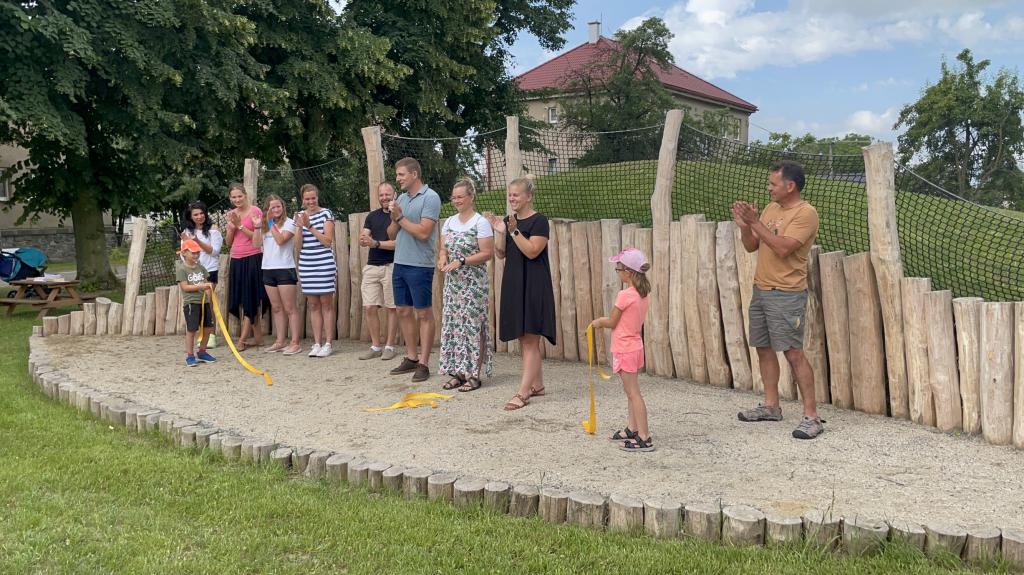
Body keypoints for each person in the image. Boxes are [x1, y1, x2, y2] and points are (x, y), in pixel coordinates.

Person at [732, 160, 823, 440]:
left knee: (793, 353)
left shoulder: (806, 214)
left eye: (773, 184)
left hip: (787, 293)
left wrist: (754, 222)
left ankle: (812, 417)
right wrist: (745, 227)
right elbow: (752, 246)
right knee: (763, 348)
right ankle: (771, 406)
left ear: (790, 186)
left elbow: (783, 248)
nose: (769, 188)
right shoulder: (771, 209)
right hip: (761, 289)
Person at [486, 177, 556, 411]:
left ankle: (523, 392)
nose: (512, 198)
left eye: (516, 194)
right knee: (524, 337)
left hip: (534, 284)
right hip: (515, 282)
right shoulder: (509, 221)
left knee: (530, 339)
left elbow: (533, 251)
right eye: (510, 194)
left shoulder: (539, 221)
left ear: (528, 196)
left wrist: (514, 231)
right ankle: (538, 385)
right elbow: (500, 254)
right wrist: (499, 232)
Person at [591, 248, 654, 452]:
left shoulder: (625, 295)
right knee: (630, 391)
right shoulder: (642, 294)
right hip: (634, 347)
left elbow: (612, 321)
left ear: (628, 272)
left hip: (625, 349)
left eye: (619, 269)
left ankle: (644, 437)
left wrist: (598, 322)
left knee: (633, 393)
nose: (617, 272)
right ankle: (633, 428)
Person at [387, 157, 442, 382]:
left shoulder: (431, 197)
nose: (397, 178)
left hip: (420, 265)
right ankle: (411, 357)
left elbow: (423, 233)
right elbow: (391, 234)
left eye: (401, 174)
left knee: (423, 313)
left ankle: (424, 363)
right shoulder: (401, 198)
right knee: (402, 310)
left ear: (414, 174)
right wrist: (394, 218)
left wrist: (400, 217)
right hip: (400, 262)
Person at [437, 178, 494, 392]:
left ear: (471, 197)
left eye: (460, 197)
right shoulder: (449, 222)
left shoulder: (480, 222)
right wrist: (442, 258)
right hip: (453, 283)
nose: (456, 201)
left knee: (472, 325)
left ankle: (474, 374)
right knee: (455, 325)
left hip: (473, 284)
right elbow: (443, 249)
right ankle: (458, 373)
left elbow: (487, 253)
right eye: (454, 197)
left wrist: (462, 261)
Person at [253, 195, 302, 355]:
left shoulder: (289, 223)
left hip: (285, 268)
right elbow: (256, 244)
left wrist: (270, 223)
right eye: (272, 207)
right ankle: (280, 341)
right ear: (267, 209)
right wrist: (257, 227)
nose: (275, 210)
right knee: (276, 307)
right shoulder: (265, 225)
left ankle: (295, 342)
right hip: (268, 268)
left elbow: (281, 240)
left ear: (283, 206)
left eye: (278, 206)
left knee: (290, 307)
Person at [357, 182, 400, 361]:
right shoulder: (372, 216)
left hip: (391, 265)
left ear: (394, 194)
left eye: (387, 194)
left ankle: (389, 346)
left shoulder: (399, 215)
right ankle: (375, 346)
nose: (384, 198)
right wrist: (363, 239)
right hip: (372, 266)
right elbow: (363, 237)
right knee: (369, 307)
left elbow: (398, 244)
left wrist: (375, 243)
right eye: (381, 195)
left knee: (392, 308)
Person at [295, 184, 337, 358]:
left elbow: (327, 241)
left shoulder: (326, 214)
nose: (311, 201)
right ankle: (317, 343)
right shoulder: (299, 215)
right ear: (302, 199)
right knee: (313, 305)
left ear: (317, 197)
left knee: (326, 304)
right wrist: (299, 227)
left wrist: (310, 226)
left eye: (313, 198)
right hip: (307, 263)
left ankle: (328, 343)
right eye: (307, 199)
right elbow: (298, 247)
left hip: (324, 262)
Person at [224, 182, 267, 351]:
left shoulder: (255, 211)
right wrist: (231, 228)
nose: (237, 200)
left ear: (245, 195)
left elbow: (258, 239)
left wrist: (240, 226)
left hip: (253, 257)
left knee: (250, 297)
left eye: (239, 196)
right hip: (236, 258)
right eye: (234, 197)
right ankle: (258, 338)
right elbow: (229, 242)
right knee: (242, 298)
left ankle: (241, 340)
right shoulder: (231, 214)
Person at [180, 201, 223, 347]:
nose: (199, 217)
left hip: (209, 270)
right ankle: (201, 333)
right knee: (197, 303)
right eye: (195, 215)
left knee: (207, 301)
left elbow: (214, 251)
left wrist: (197, 241)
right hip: (193, 271)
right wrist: (190, 264)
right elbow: (184, 253)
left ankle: (210, 335)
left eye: (201, 213)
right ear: (190, 217)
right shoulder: (187, 231)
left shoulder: (213, 230)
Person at [177, 239, 216, 367]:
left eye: (197, 253)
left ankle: (202, 351)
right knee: (192, 329)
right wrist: (201, 286)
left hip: (204, 302)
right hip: (191, 303)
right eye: (193, 252)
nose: (196, 255)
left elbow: (206, 283)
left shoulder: (201, 267)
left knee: (208, 327)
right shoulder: (182, 269)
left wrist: (209, 293)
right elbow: (185, 287)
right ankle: (190, 355)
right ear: (184, 253)